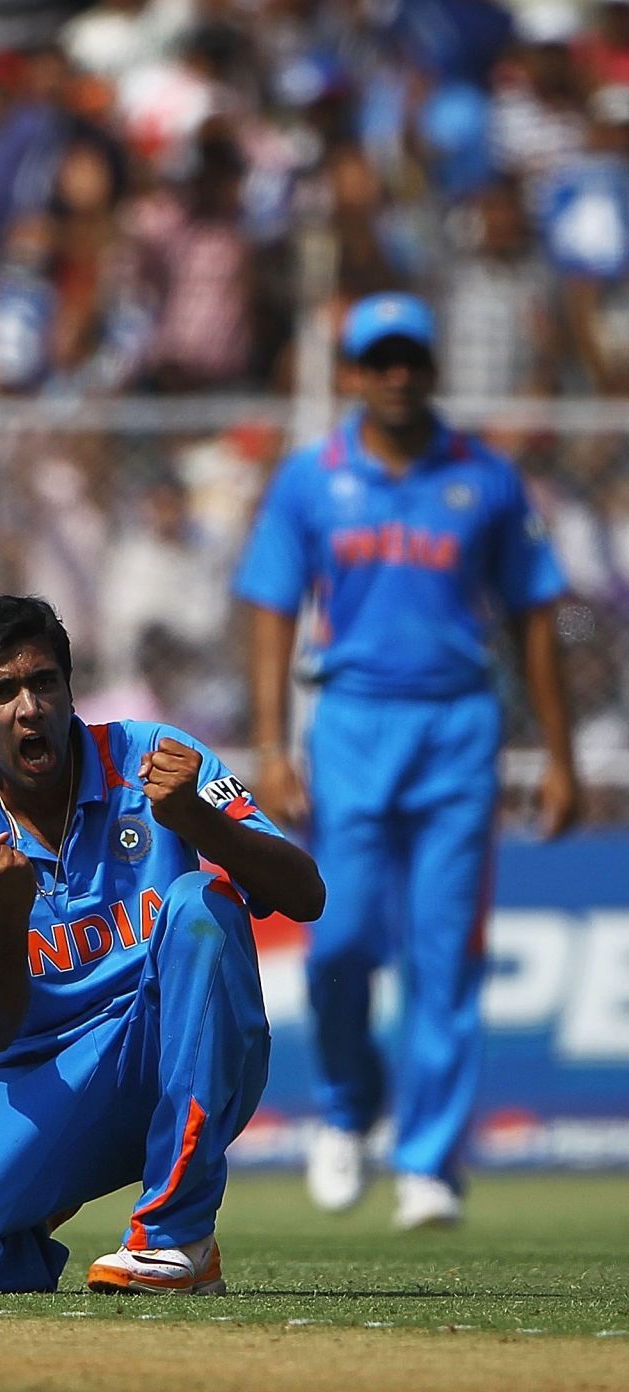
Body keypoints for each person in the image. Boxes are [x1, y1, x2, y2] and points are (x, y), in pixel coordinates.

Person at [235, 292, 579, 1231]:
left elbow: (534, 617)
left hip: (459, 726)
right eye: (377, 359)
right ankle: (348, 1109)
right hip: (348, 720)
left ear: (431, 368)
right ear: (351, 371)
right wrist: (271, 741)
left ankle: (429, 1160)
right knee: (339, 937)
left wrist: (559, 753)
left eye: (409, 359)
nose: (394, 375)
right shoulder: (313, 478)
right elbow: (269, 605)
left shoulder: (487, 479)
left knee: (446, 954)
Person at [0, 596, 324, 1294]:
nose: (29, 708)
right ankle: (34, 1216)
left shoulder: (159, 760)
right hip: (40, 1076)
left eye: (43, 682)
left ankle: (176, 1241)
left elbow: (305, 895)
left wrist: (205, 825)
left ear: (68, 684)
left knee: (201, 902)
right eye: (0, 693)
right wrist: (4, 913)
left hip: (176, 1047)